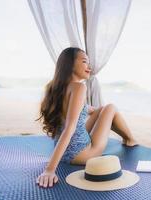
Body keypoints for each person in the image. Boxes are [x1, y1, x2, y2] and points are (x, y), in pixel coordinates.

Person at [35, 47, 138, 188]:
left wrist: (100, 114)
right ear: (70, 64)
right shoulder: (79, 88)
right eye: (84, 61)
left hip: (66, 153)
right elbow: (69, 128)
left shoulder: (55, 87)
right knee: (111, 107)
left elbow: (83, 111)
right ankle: (130, 139)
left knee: (102, 109)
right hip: (83, 154)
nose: (89, 66)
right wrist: (49, 169)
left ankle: (126, 135)